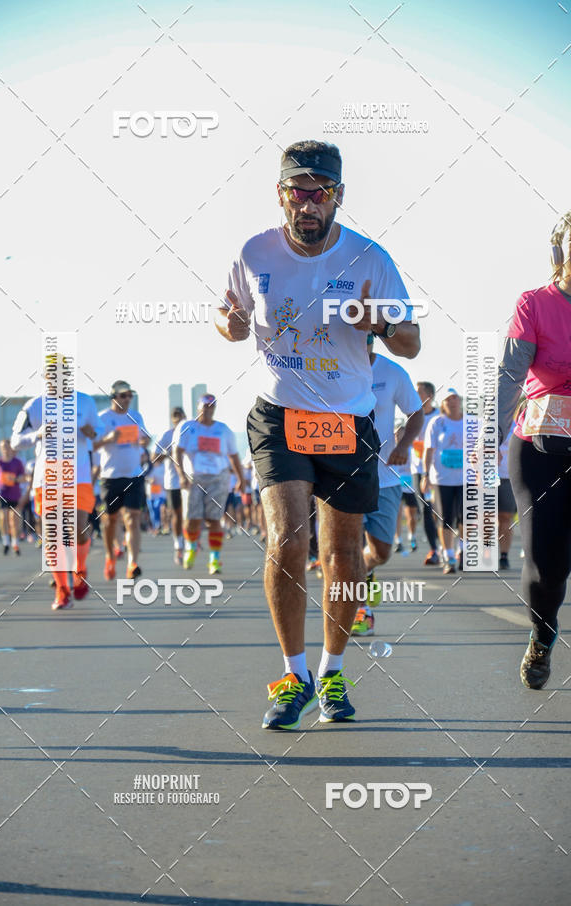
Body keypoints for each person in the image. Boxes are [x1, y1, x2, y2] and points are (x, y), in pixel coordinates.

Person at [217, 139, 420, 729]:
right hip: (278, 415)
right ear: (280, 196)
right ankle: (294, 673)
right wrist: (228, 323)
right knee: (287, 539)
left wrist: (380, 322)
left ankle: (331, 670)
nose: (307, 205)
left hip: (348, 421)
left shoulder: (370, 259)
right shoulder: (254, 252)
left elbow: (411, 343)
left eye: (320, 193)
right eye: (296, 193)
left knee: (342, 553)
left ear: (338, 197)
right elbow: (226, 317)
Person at [497, 210, 571, 689]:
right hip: (541, 448)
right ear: (559, 252)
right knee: (547, 563)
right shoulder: (536, 304)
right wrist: (486, 437)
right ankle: (542, 635)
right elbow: (509, 375)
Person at [11, 373, 105, 609]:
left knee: (79, 530)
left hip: (79, 476)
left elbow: (101, 432)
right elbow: (15, 441)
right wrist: (38, 434)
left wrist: (92, 433)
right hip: (48, 478)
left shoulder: (85, 402)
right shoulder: (34, 405)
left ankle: (79, 568)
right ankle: (62, 591)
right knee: (53, 535)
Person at [351, 339, 423, 637]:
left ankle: (367, 570)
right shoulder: (332, 369)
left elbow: (416, 414)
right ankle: (360, 611)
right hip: (343, 476)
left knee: (381, 551)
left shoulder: (393, 372)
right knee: (347, 550)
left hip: (386, 477)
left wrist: (404, 446)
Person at [173, 393, 244, 574]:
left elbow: (234, 456)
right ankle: (191, 547)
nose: (208, 409)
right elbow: (177, 452)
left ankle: (215, 559)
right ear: (198, 407)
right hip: (193, 478)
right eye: (205, 406)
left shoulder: (223, 430)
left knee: (214, 519)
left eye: (211, 406)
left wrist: (241, 479)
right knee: (193, 520)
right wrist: (181, 475)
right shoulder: (187, 427)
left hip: (218, 478)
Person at [94, 380, 150, 581]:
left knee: (133, 517)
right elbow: (93, 444)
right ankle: (110, 557)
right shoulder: (102, 418)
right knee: (111, 520)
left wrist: (143, 440)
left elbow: (146, 438)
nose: (127, 399)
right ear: (113, 397)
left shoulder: (135, 416)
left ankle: (132, 563)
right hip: (110, 476)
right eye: (123, 395)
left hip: (134, 474)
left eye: (130, 395)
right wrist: (108, 439)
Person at [421, 389, 464, 575]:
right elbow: (429, 450)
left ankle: (462, 551)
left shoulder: (471, 422)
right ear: (443, 403)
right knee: (445, 518)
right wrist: (425, 476)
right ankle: (448, 557)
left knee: (466, 518)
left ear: (460, 401)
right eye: (448, 400)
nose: (452, 402)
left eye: (455, 398)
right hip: (441, 478)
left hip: (466, 478)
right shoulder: (436, 423)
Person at [412, 382, 441, 564]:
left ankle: (450, 547)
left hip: (439, 471)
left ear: (429, 395)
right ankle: (434, 550)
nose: (415, 395)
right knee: (425, 509)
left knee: (443, 511)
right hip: (419, 470)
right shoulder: (412, 416)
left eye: (419, 392)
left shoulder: (440, 417)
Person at [154, 407, 186, 564]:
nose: (178, 419)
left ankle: (191, 539)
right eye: (175, 417)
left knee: (191, 515)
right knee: (177, 514)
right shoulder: (166, 435)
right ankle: (179, 545)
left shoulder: (190, 433)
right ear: (171, 419)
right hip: (172, 481)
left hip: (190, 480)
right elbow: (154, 458)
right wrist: (166, 453)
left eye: (180, 416)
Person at [0, 439, 25, 555]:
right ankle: (5, 542)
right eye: (2, 446)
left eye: (6, 446)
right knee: (2, 517)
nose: (5, 448)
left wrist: (14, 479)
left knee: (13, 520)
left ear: (11, 447)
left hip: (15, 494)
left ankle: (15, 543)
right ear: (0, 449)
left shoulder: (17, 462)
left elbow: (24, 477)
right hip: (2, 494)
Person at [393, 426, 419, 553]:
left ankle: (412, 537)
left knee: (411, 515)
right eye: (397, 435)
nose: (399, 437)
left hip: (409, 486)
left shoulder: (411, 449)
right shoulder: (390, 449)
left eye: (402, 435)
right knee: (397, 514)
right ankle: (398, 541)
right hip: (396, 485)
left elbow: (417, 465)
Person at [497, 425, 517, 570]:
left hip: (508, 477)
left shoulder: (516, 424)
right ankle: (486, 551)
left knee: (505, 516)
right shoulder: (481, 422)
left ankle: (504, 555)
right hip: (485, 477)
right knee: (485, 517)